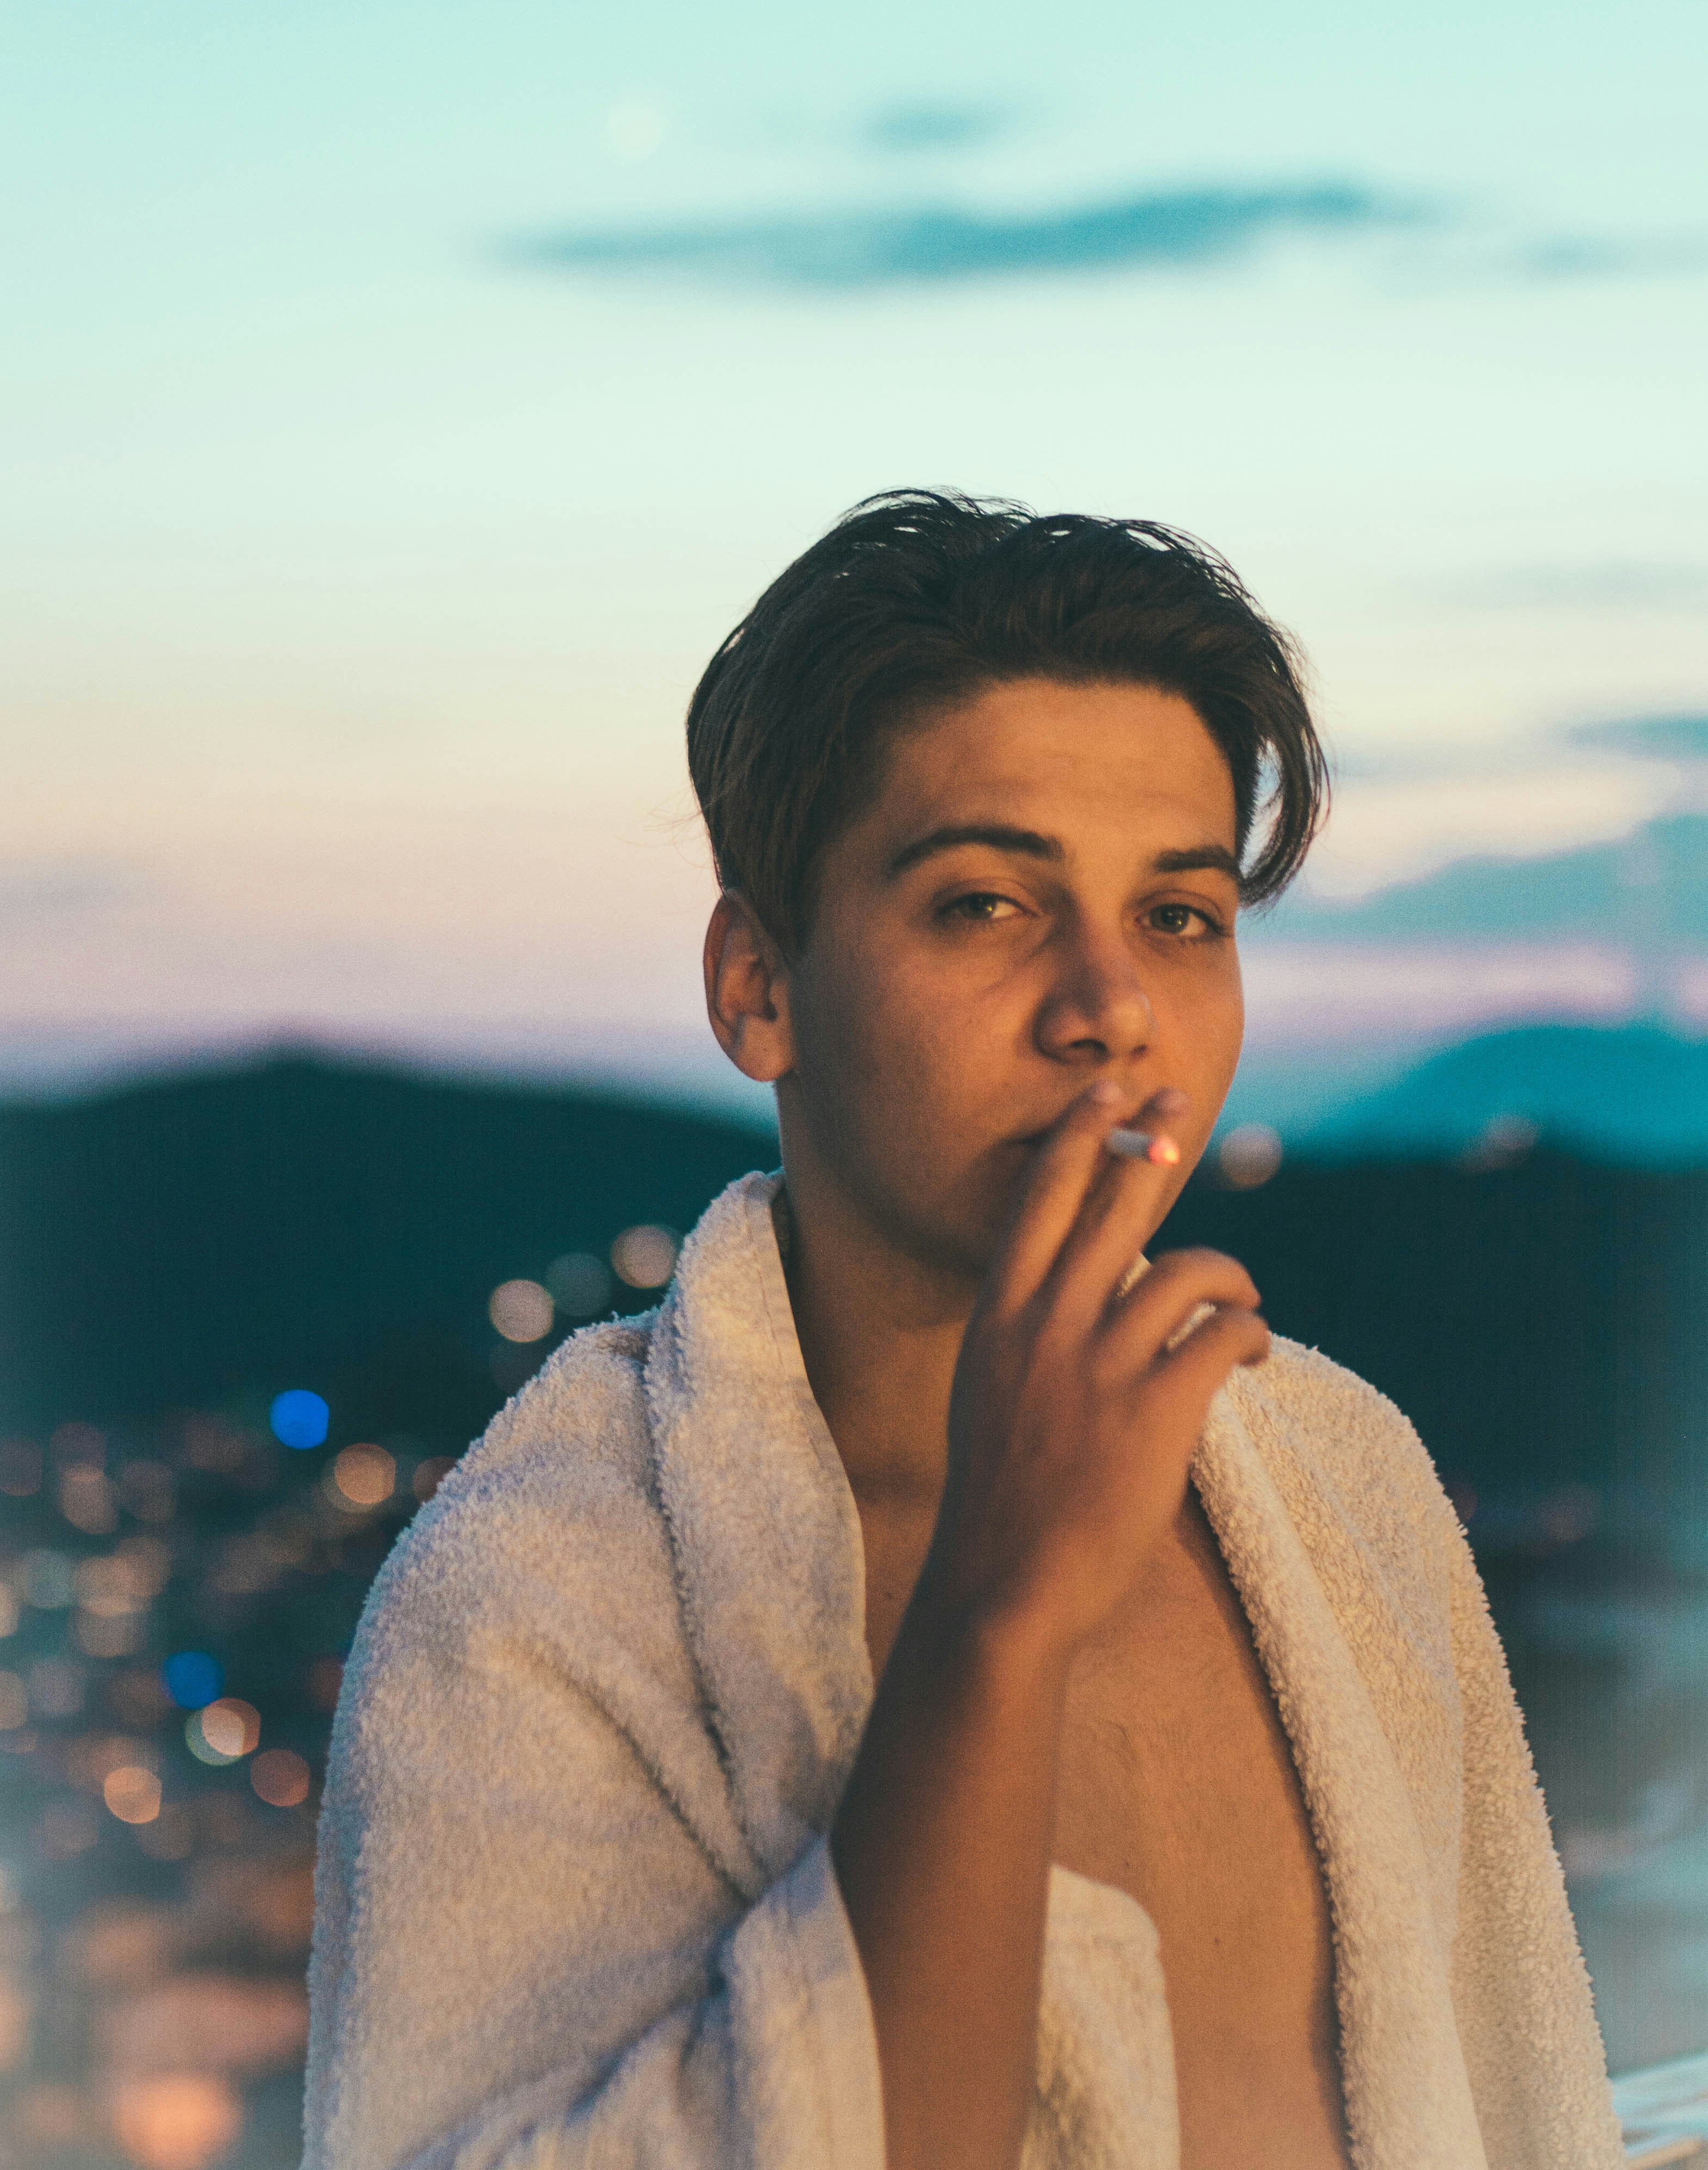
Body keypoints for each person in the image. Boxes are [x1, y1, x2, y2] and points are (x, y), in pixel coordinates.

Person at [304, 491, 1624, 2170]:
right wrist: (999, 1610)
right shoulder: (540, 1605)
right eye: (986, 905)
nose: (1109, 1009)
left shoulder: (1344, 1473)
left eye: (1181, 916)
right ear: (757, 989)